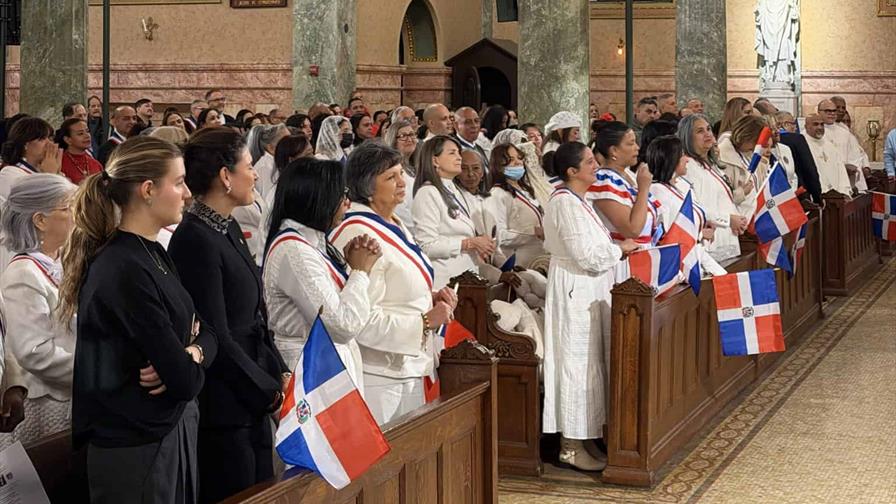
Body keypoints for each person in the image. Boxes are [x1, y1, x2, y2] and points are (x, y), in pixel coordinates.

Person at [60, 136, 217, 503]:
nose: (187, 194)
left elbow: (208, 333)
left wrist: (191, 352)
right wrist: (187, 358)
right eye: (178, 182)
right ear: (148, 190)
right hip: (135, 447)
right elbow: (184, 381)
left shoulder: (154, 252)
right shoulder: (122, 267)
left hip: (165, 432)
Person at [169, 128, 287, 503]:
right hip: (225, 403)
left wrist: (279, 370)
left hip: (251, 389)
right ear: (225, 176)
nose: (255, 176)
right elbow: (216, 331)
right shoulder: (194, 238)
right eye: (249, 167)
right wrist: (267, 392)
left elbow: (254, 316)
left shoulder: (226, 225)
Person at [330, 142, 456, 424]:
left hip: (408, 365)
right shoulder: (359, 233)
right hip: (379, 373)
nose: (402, 182)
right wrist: (425, 321)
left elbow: (398, 287)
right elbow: (360, 318)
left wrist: (431, 297)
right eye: (390, 177)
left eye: (401, 173)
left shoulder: (394, 223)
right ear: (366, 186)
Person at [541, 142, 637, 472]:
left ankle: (587, 435)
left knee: (592, 363)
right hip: (574, 289)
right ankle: (570, 446)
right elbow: (586, 256)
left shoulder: (580, 200)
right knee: (575, 364)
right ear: (571, 171)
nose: (595, 165)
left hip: (589, 288)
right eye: (588, 162)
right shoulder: (564, 203)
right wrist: (621, 250)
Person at [263, 157, 380, 390]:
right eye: (341, 194)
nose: (347, 203)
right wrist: (360, 271)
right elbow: (342, 326)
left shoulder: (310, 242)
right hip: (312, 372)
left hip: (325, 364)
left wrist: (349, 267)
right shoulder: (294, 250)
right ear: (318, 197)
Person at [0, 175, 76, 450]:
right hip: (50, 404)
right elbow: (34, 352)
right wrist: (94, 368)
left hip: (71, 396)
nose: (76, 215)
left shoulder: (63, 261)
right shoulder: (23, 273)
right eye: (68, 208)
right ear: (40, 220)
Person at [412, 136, 496, 289]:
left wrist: (480, 241)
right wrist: (469, 243)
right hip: (445, 280)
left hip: (466, 276)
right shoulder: (427, 193)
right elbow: (426, 246)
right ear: (435, 160)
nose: (459, 157)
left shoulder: (454, 190)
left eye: (458, 152)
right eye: (452, 153)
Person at [644, 135, 727, 277]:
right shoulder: (658, 191)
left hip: (696, 257)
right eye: (682, 155)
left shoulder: (678, 186)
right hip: (679, 268)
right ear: (671, 159)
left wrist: (702, 232)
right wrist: (701, 234)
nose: (687, 159)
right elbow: (669, 236)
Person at [678, 114, 748, 261]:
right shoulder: (688, 167)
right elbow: (694, 207)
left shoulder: (711, 164)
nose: (707, 134)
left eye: (708, 129)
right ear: (688, 137)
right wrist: (728, 219)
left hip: (728, 238)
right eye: (700, 131)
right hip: (712, 242)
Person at [591, 122, 661, 250]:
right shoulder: (604, 181)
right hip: (625, 257)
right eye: (630, 143)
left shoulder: (629, 175)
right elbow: (632, 230)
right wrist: (644, 188)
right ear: (614, 150)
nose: (637, 148)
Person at [487, 143, 546, 268]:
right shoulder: (497, 194)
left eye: (519, 158)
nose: (518, 162)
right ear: (499, 165)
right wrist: (532, 232)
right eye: (511, 159)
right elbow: (499, 235)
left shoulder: (526, 189)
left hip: (539, 257)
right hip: (519, 262)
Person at [716, 115, 771, 214]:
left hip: (753, 215)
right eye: (755, 141)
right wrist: (742, 193)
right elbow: (718, 199)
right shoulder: (722, 157)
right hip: (736, 217)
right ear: (745, 136)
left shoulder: (751, 154)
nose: (756, 146)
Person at [0, 117, 62, 202]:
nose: (49, 143)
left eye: (50, 139)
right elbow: (37, 204)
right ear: (25, 144)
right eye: (42, 139)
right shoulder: (10, 173)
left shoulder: (44, 169)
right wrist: (50, 175)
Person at [384, 119, 420, 238]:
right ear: (393, 141)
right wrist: (419, 232)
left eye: (412, 134)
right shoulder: (390, 170)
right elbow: (398, 209)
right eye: (403, 136)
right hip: (409, 232)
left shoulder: (416, 166)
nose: (409, 139)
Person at [803, 113, 852, 196]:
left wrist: (844, 191)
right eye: (815, 124)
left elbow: (841, 170)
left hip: (837, 196)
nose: (820, 127)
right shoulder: (803, 145)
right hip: (816, 195)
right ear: (806, 127)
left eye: (822, 124)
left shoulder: (829, 145)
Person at [58, 118, 103, 184]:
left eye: (87, 131)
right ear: (68, 140)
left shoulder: (96, 164)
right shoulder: (59, 163)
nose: (87, 136)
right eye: (80, 133)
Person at [250, 123, 288, 199]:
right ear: (270, 148)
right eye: (286, 142)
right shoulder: (265, 168)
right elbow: (268, 201)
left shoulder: (278, 163)